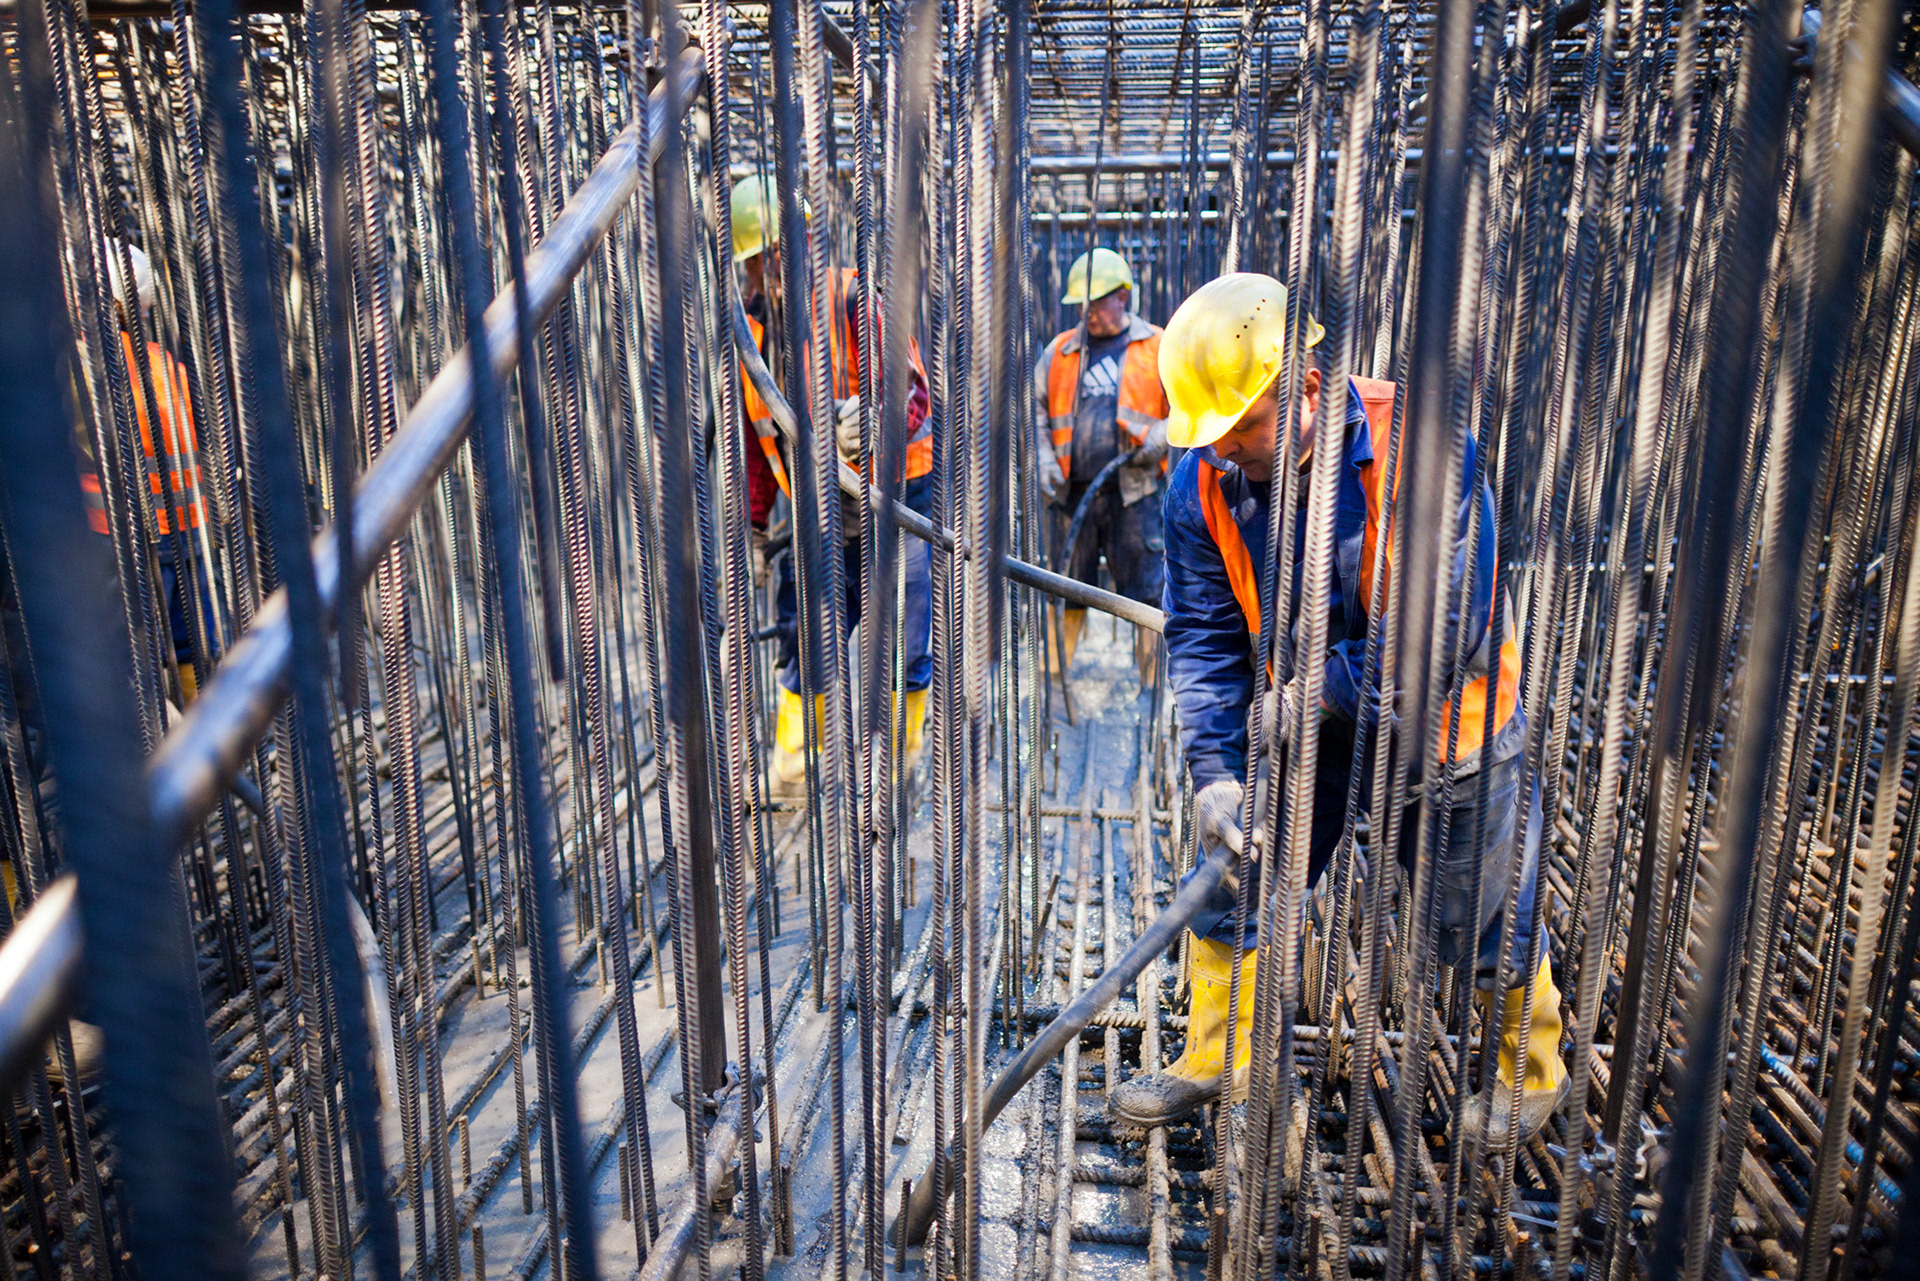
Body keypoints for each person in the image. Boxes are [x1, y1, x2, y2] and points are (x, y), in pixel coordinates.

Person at [1107, 272, 1567, 1149]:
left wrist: (1315, 689)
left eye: (1237, 430)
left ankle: (1527, 1070)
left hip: (1445, 733)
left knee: (1480, 914)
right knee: (1232, 882)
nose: (1218, 452)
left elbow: (1443, 631)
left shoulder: (1426, 451)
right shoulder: (1202, 482)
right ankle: (1215, 1055)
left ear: (1307, 390)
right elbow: (1203, 637)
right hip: (1305, 735)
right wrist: (1215, 775)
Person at [729, 175, 935, 786]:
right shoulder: (752, 332)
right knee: (805, 628)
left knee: (904, 629)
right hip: (815, 506)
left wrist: (876, 422)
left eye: (775, 253)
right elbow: (756, 440)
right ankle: (796, 760)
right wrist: (758, 530)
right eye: (757, 260)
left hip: (895, 500)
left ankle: (902, 754)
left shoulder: (852, 299)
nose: (767, 270)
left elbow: (916, 394)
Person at [1032, 247, 1169, 685]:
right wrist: (1044, 459)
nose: (1086, 311)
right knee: (1065, 588)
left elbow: (1186, 409)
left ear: (1123, 296)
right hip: (1073, 496)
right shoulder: (1060, 352)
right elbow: (1036, 413)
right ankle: (1055, 682)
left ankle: (1152, 683)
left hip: (1136, 494)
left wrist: (1161, 437)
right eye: (1081, 304)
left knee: (1148, 596)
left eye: (1095, 301)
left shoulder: (1158, 346)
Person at [86, 242, 209, 705]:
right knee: (188, 646)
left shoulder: (86, 364)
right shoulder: (166, 365)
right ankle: (206, 748)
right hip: (183, 530)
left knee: (122, 658)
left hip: (114, 538)